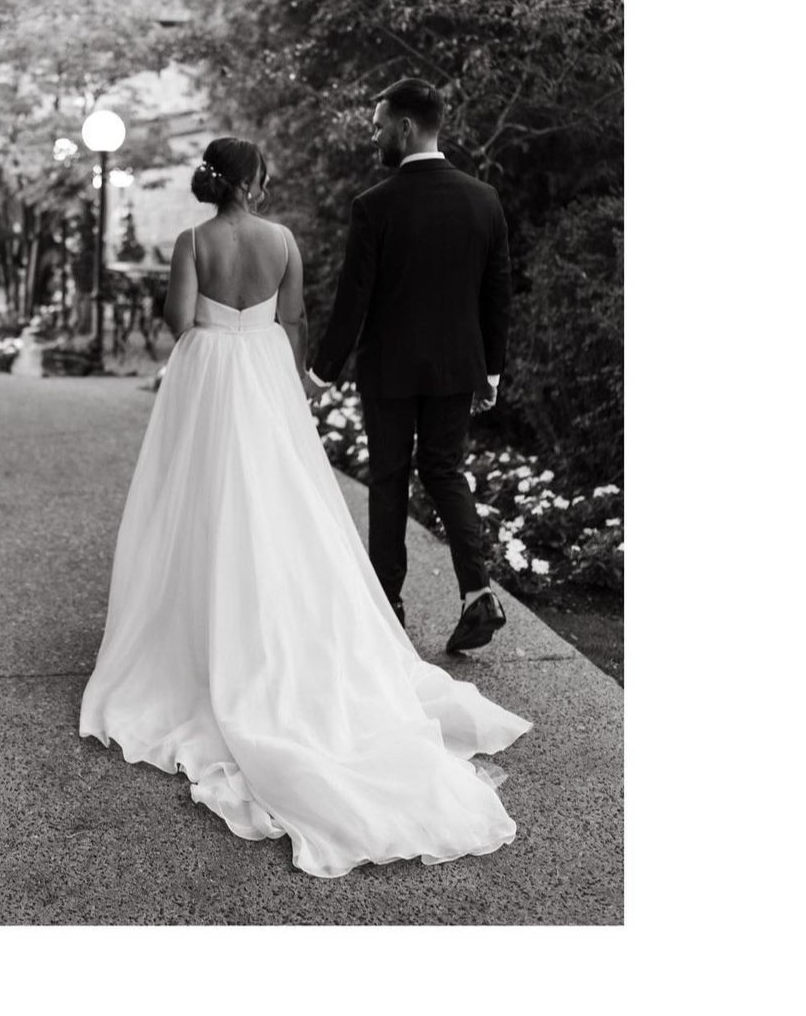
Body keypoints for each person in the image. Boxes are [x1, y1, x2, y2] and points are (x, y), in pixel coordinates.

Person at [79, 136, 530, 879]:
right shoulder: (283, 239)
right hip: (263, 376)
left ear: (213, 182)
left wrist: (214, 321)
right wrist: (284, 382)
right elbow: (292, 319)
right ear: (256, 180)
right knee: (280, 504)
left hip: (206, 379)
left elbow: (179, 322)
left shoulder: (193, 239)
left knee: (199, 505)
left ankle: (202, 624)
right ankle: (279, 621)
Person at [307, 78, 512, 654]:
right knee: (444, 472)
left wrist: (321, 375)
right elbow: (499, 295)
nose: (375, 136)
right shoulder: (484, 199)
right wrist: (490, 372)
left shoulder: (375, 205)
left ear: (404, 127)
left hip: (390, 370)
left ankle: (386, 607)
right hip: (457, 368)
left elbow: (354, 300)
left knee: (391, 477)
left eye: (377, 127)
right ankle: (479, 595)